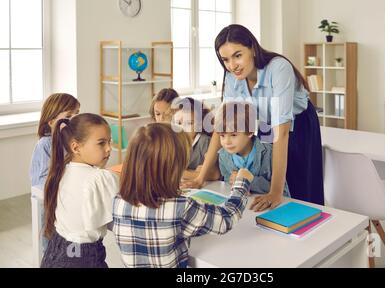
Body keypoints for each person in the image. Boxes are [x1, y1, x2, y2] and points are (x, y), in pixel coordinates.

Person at [183, 24, 324, 211]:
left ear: (252, 49)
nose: (232, 65)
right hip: (265, 122)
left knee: (300, 187)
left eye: (238, 55)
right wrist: (200, 178)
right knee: (267, 176)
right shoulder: (232, 76)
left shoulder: (279, 68)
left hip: (298, 124)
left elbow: (281, 135)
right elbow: (222, 125)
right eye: (225, 60)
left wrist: (275, 192)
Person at [112, 123, 253, 268]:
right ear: (174, 167)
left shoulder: (118, 201)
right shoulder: (180, 207)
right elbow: (226, 219)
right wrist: (242, 183)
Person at [41, 113, 118, 268]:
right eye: (101, 143)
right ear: (75, 147)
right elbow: (117, 222)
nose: (109, 148)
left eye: (109, 142)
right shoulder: (99, 178)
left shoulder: (61, 170)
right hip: (83, 257)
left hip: (57, 249)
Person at [215, 101, 290, 196]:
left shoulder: (269, 153)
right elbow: (228, 182)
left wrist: (250, 181)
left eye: (233, 135)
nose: (227, 142)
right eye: (222, 135)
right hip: (245, 206)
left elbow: (283, 191)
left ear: (250, 132)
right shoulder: (223, 156)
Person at [30, 93, 80, 187]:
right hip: (52, 194)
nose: (74, 120)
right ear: (52, 122)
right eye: (68, 116)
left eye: (77, 114)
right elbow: (42, 181)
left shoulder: (74, 140)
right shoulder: (45, 144)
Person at [172, 97, 219, 180]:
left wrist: (183, 173)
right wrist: (194, 173)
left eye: (189, 123)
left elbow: (215, 174)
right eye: (178, 123)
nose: (182, 128)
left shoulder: (204, 141)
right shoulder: (173, 142)